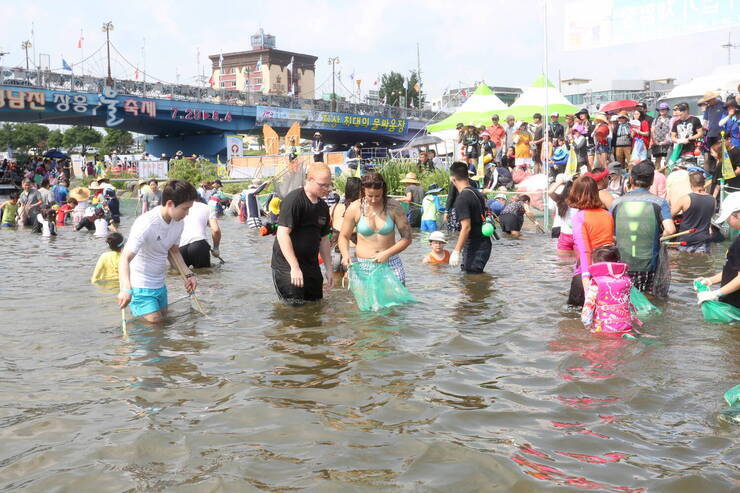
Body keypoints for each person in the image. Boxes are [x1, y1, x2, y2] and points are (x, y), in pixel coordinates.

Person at [118, 180, 198, 323]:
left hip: (160, 285)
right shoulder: (146, 224)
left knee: (163, 326)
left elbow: (173, 251)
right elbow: (124, 258)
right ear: (169, 204)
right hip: (140, 287)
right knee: (154, 326)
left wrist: (189, 274)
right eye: (185, 208)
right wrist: (125, 288)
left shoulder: (179, 222)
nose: (187, 213)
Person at [610, 161, 676, 294]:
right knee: (649, 298)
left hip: (622, 262)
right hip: (649, 264)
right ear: (651, 181)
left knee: (625, 298)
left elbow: (608, 231)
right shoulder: (660, 202)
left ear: (631, 179)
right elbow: (670, 230)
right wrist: (659, 237)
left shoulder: (616, 203)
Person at [273, 165, 334, 304]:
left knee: (315, 306)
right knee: (294, 311)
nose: (327, 189)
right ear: (310, 180)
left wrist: (329, 269)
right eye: (322, 185)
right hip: (287, 266)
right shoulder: (294, 200)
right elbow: (282, 234)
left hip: (311, 265)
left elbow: (324, 240)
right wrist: (294, 267)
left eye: (329, 185)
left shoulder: (323, 207)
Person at [338, 172, 412, 284]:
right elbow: (343, 236)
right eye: (369, 196)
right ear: (363, 191)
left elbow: (407, 238)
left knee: (395, 301)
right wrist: (345, 254)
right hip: (363, 264)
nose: (373, 200)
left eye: (378, 196)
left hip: (390, 262)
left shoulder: (394, 207)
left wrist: (386, 253)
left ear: (383, 191)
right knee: (365, 301)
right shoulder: (355, 208)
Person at [567, 176, 615, 306]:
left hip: (587, 273)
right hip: (608, 274)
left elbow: (584, 250)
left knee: (574, 318)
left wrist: (585, 279)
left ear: (575, 193)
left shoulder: (579, 217)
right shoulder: (607, 214)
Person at [696, 192, 740, 307]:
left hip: (735, 305)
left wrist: (716, 293)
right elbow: (733, 269)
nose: (726, 221)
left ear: (737, 215)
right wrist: (710, 280)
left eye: (728, 217)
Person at [447, 161, 491, 273]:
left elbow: (466, 227)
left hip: (475, 246)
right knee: (473, 281)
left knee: (471, 281)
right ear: (467, 176)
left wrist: (456, 251)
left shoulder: (462, 198)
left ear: (453, 179)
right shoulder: (476, 192)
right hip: (484, 242)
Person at [581, 244, 634, 335]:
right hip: (626, 327)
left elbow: (587, 312)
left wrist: (588, 326)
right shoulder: (625, 280)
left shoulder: (596, 283)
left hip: (603, 329)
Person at [670, 172, 715, 253]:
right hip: (703, 240)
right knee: (701, 264)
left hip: (686, 240)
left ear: (691, 184)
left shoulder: (685, 199)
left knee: (684, 264)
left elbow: (669, 215)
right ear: (704, 183)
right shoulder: (712, 200)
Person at [178, 200, 221, 268]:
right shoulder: (207, 207)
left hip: (180, 247)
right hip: (199, 245)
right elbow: (216, 230)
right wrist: (216, 248)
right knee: (204, 275)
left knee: (180, 276)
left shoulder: (179, 207)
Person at [651, 103, 673, 170]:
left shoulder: (671, 119)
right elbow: (652, 130)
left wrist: (667, 140)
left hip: (667, 143)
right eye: (660, 110)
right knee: (657, 160)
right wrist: (654, 140)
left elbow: (672, 130)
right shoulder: (655, 120)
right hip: (657, 143)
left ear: (667, 110)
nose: (662, 111)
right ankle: (657, 175)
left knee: (667, 160)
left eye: (664, 109)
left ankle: (666, 174)